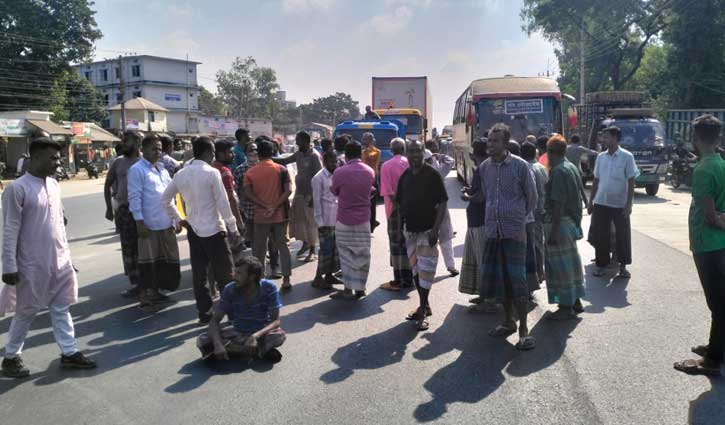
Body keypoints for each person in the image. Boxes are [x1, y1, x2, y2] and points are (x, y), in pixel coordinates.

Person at [0, 137, 96, 378]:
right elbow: (10, 229)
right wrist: (9, 265)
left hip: (59, 259)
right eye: (53, 157)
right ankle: (11, 357)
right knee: (26, 310)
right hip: (31, 263)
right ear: (36, 157)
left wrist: (68, 257)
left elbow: (59, 224)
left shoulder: (53, 184)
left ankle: (69, 352)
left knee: (62, 306)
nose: (58, 162)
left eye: (59, 157)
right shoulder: (17, 189)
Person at [161, 136, 239, 324]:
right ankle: (232, 313)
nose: (214, 155)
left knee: (200, 274)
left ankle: (204, 313)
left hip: (194, 230)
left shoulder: (181, 174)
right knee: (225, 274)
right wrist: (233, 227)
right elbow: (222, 202)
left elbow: (165, 200)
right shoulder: (212, 173)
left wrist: (180, 219)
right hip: (214, 229)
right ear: (206, 152)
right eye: (212, 151)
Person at [475, 123, 538, 351]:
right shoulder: (484, 168)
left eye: (495, 141)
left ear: (505, 143)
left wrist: (518, 219)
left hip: (515, 233)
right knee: (501, 280)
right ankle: (508, 322)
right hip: (493, 232)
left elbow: (532, 199)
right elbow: (487, 194)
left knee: (518, 281)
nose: (490, 145)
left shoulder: (521, 167)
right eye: (489, 141)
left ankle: (523, 330)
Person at [674, 114, 725, 376]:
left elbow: (710, 217)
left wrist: (720, 221)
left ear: (696, 139)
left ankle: (713, 360)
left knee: (718, 303)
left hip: (708, 245)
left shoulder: (704, 170)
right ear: (718, 138)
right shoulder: (720, 163)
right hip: (718, 245)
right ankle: (717, 347)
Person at [395, 140, 448, 331]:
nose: (415, 155)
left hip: (427, 231)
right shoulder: (405, 176)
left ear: (423, 153)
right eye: (412, 151)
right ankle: (424, 304)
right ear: (407, 154)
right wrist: (401, 230)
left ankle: (423, 310)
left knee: (426, 272)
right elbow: (399, 205)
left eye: (418, 151)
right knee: (416, 271)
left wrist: (435, 230)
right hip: (410, 231)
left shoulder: (432, 174)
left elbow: (442, 203)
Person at [197, 255, 285, 364]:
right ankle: (256, 351)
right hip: (238, 332)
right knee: (203, 340)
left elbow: (276, 321)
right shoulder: (229, 289)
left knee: (279, 335)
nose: (233, 276)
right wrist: (217, 344)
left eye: (239, 273)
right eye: (235, 271)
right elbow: (215, 321)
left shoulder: (268, 288)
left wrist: (255, 336)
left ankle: (234, 351)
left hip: (260, 333)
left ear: (252, 277)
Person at [128, 135, 181, 310]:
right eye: (153, 148)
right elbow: (134, 197)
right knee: (147, 262)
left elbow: (170, 198)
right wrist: (139, 222)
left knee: (164, 261)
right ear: (143, 150)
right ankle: (145, 295)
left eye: (159, 148)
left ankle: (156, 291)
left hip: (165, 222)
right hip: (148, 224)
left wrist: (175, 219)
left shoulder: (163, 170)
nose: (158, 152)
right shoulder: (137, 170)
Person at [543, 135, 586, 320]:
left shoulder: (559, 171)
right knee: (571, 266)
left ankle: (565, 307)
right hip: (571, 222)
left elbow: (558, 205)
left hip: (559, 224)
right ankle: (575, 301)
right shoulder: (571, 166)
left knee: (560, 268)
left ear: (551, 153)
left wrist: (552, 232)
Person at [588, 126, 639, 278]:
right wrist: (591, 201)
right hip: (601, 202)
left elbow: (631, 181)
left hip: (619, 204)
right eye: (603, 137)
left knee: (622, 236)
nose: (604, 140)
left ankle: (623, 267)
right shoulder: (601, 157)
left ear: (616, 138)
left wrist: (629, 204)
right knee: (600, 236)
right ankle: (601, 266)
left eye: (607, 137)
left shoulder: (627, 157)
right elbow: (596, 180)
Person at [243, 140, 293, 289]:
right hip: (280, 215)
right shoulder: (281, 169)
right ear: (272, 153)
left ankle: (259, 280)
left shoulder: (250, 172)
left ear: (258, 154)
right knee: (282, 246)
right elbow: (288, 190)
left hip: (260, 216)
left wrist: (264, 206)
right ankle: (286, 280)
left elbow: (247, 194)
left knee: (259, 249)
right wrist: (274, 206)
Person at [330, 140, 375, 300]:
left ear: (346, 155)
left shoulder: (339, 172)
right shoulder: (370, 171)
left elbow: (335, 191)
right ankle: (360, 288)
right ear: (361, 153)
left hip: (344, 220)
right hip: (363, 220)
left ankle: (348, 289)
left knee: (346, 257)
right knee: (362, 255)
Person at [274, 131, 322, 261]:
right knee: (299, 220)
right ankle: (305, 244)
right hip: (299, 193)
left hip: (309, 194)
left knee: (310, 222)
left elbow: (319, 178)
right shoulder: (299, 154)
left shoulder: (314, 156)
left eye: (298, 140)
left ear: (306, 141)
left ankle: (313, 250)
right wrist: (268, 158)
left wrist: (313, 196)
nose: (296, 143)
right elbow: (285, 160)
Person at [104, 132, 141, 298]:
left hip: (143, 211)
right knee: (129, 249)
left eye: (127, 141)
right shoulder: (118, 162)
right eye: (123, 141)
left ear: (138, 142)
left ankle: (149, 284)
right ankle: (135, 283)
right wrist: (109, 208)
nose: (124, 144)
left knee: (145, 248)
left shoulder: (145, 162)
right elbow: (107, 185)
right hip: (125, 211)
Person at [379, 138, 414, 291]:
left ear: (392, 150)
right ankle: (411, 277)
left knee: (396, 245)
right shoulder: (410, 163)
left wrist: (398, 206)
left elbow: (389, 192)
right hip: (410, 210)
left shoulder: (386, 166)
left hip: (394, 211)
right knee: (410, 244)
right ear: (404, 149)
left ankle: (399, 279)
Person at [459, 139, 489, 305]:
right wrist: (470, 191)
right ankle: (483, 295)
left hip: (480, 220)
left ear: (473, 154)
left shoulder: (482, 169)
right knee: (479, 259)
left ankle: (487, 298)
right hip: (478, 220)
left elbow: (481, 196)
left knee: (482, 260)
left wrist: (467, 196)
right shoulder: (487, 167)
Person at [425, 142, 459, 276]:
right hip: (441, 209)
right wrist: (439, 156)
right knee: (446, 239)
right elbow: (451, 161)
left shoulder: (415, 172)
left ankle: (425, 271)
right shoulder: (438, 170)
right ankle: (451, 266)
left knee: (426, 241)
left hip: (425, 210)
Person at [311, 151, 343, 289]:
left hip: (336, 219)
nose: (334, 164)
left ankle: (329, 275)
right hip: (325, 221)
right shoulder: (318, 178)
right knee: (325, 250)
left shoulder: (338, 174)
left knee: (335, 249)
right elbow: (316, 202)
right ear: (325, 161)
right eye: (331, 162)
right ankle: (318, 278)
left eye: (336, 161)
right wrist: (320, 223)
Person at [521, 141, 548, 289]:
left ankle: (539, 272)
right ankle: (540, 271)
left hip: (534, 211)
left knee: (535, 244)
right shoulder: (541, 167)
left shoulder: (527, 168)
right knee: (539, 242)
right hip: (542, 209)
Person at [212, 139, 245, 250]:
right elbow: (231, 199)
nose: (233, 155)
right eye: (230, 152)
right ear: (221, 154)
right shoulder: (224, 171)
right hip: (227, 220)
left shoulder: (211, 168)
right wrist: (239, 223)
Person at [361, 132, 381, 232]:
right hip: (363, 179)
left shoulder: (376, 152)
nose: (363, 141)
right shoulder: (363, 151)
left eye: (366, 139)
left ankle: (371, 224)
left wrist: (367, 148)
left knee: (372, 204)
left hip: (372, 180)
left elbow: (370, 157)